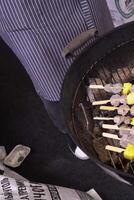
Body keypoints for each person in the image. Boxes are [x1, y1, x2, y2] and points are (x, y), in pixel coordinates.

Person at [0, 0, 114, 159]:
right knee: (51, 74)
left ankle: (114, 105)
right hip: (27, 10)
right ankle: (75, 130)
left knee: (105, 52)